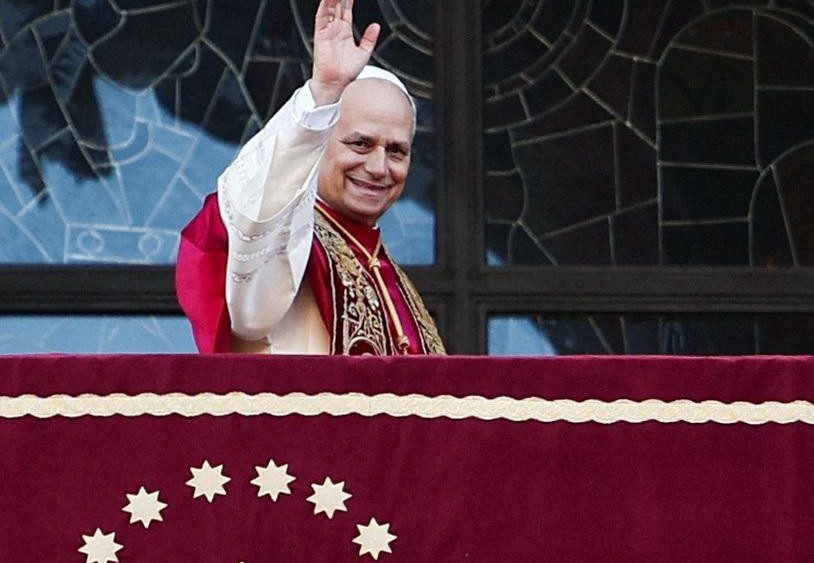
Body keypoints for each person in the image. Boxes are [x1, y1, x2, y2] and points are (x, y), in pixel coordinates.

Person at [176, 0, 445, 355]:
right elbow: (254, 210)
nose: (380, 167)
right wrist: (321, 97)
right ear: (317, 144)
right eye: (360, 144)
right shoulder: (291, 237)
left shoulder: (383, 267)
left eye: (396, 151)